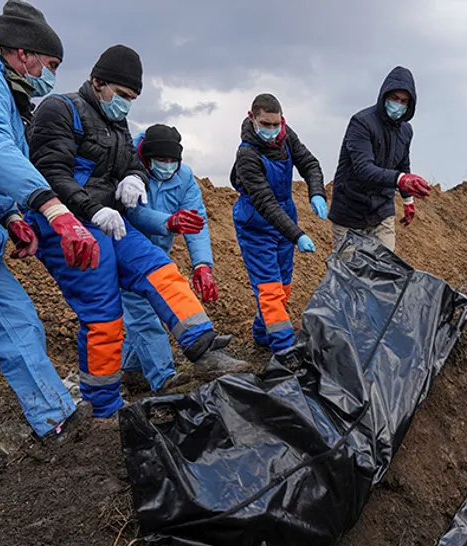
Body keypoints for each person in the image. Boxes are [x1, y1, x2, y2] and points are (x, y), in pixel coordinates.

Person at [26, 44, 248, 419]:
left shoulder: (117, 126)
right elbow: (50, 172)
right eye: (123, 95)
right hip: (68, 224)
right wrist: (92, 210)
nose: (127, 104)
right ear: (97, 83)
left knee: (160, 270)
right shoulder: (59, 110)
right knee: (104, 316)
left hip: (110, 221)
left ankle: (204, 349)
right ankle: (105, 408)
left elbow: (132, 162)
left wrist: (133, 176)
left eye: (133, 98)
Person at [0, 1, 100, 481]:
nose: (50, 76)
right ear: (23, 54)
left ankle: (56, 419)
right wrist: (49, 207)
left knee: (19, 326)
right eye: (50, 66)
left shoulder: (2, 88)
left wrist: (13, 214)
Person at [122, 124, 217, 392]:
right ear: (146, 156)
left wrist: (202, 265)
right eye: (160, 160)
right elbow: (132, 212)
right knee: (143, 315)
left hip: (157, 255)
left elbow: (197, 221)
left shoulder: (184, 177)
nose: (166, 166)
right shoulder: (130, 170)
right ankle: (164, 379)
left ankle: (131, 370)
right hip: (127, 252)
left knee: (144, 310)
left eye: (172, 161)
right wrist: (169, 222)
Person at [230, 93, 327, 355]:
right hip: (256, 224)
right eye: (266, 124)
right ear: (252, 119)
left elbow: (309, 163)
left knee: (283, 284)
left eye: (276, 124)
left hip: (285, 215)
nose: (272, 131)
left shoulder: (286, 136)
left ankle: (262, 333)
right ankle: (285, 351)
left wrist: (316, 191)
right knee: (269, 289)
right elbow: (264, 201)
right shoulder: (247, 155)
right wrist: (297, 235)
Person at [329, 66, 432, 252]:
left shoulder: (406, 131)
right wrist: (400, 179)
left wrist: (407, 200)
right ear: (384, 96)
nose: (398, 104)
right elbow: (363, 168)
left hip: (382, 209)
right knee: (349, 275)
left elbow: (403, 164)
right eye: (394, 98)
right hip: (350, 210)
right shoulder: (361, 123)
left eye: (404, 101)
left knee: (385, 271)